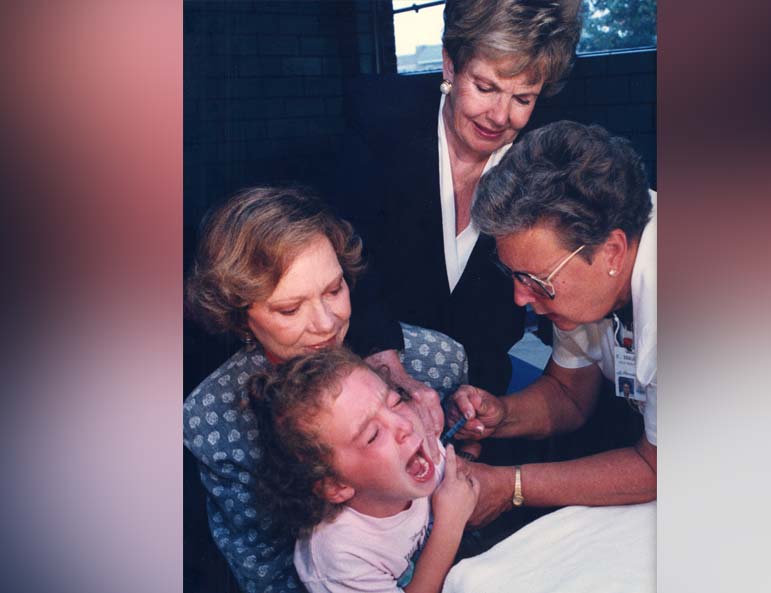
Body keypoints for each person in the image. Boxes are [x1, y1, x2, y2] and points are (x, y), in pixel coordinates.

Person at [183, 186, 468, 593]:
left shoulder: (435, 361)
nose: (326, 324)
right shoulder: (212, 420)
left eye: (334, 290)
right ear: (240, 318)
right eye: (289, 309)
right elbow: (268, 576)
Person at [335, 0, 583, 396]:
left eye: (523, 99)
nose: (500, 116)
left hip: (483, 396)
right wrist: (386, 369)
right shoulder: (378, 130)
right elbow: (345, 267)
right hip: (375, 381)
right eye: (485, 88)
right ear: (450, 65)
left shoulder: (547, 159)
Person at [448, 120, 657, 527]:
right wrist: (500, 416)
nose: (520, 298)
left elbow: (658, 469)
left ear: (612, 252)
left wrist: (512, 487)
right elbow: (570, 394)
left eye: (535, 281)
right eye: (514, 275)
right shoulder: (585, 271)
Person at [247, 348, 479, 593]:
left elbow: (457, 479)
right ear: (335, 485)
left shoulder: (414, 456)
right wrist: (450, 526)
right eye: (373, 435)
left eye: (396, 402)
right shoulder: (338, 554)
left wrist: (470, 445)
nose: (405, 425)